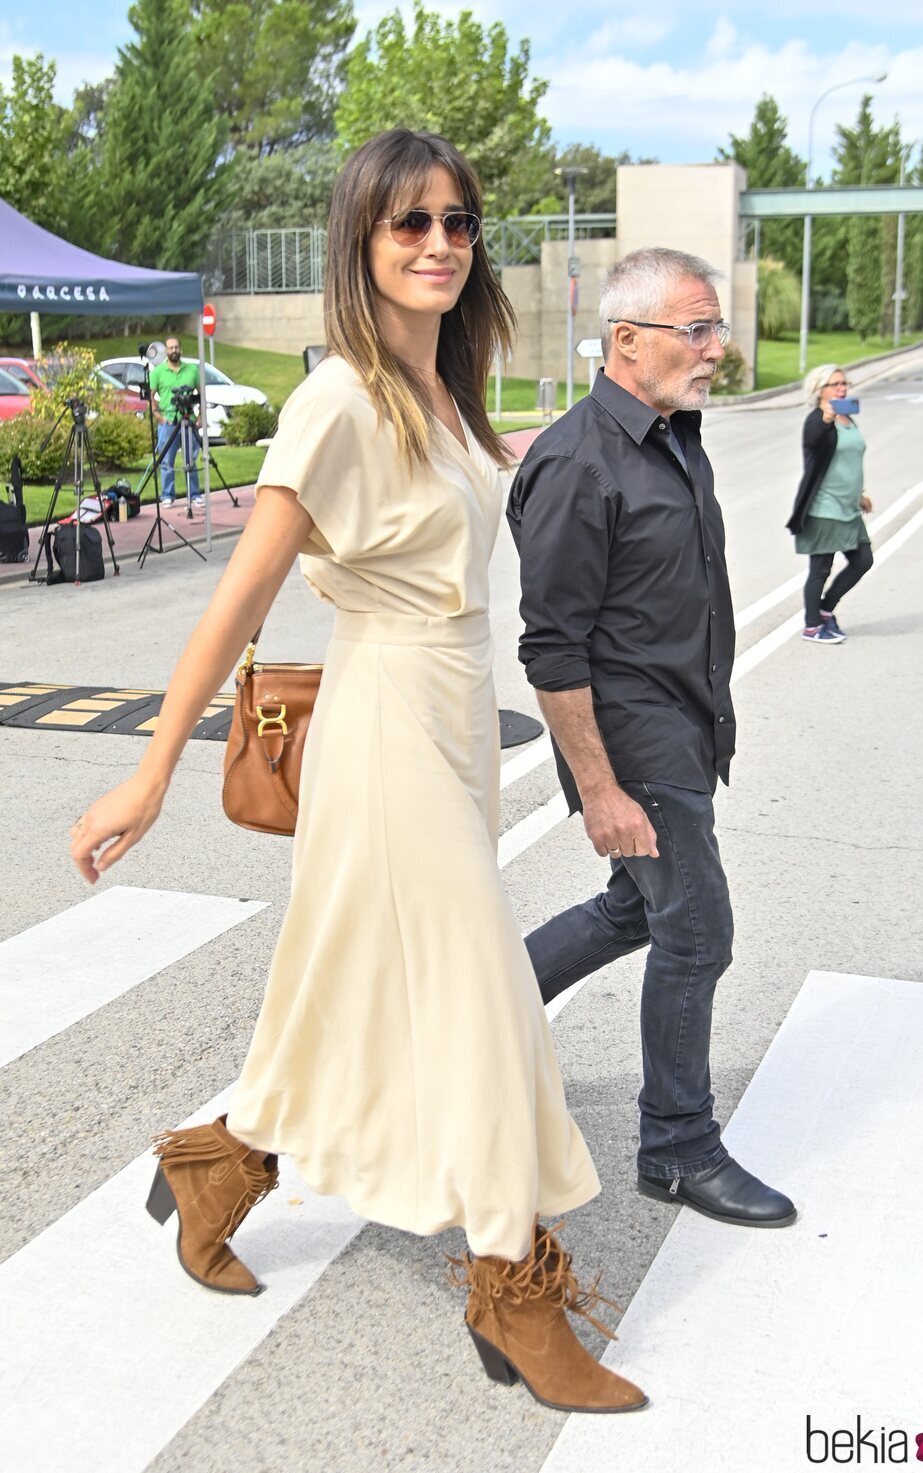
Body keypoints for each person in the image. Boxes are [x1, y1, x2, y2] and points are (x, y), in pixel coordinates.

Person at [68, 129, 646, 1416]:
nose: (439, 243)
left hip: (448, 718)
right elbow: (236, 602)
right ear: (362, 243)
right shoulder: (337, 399)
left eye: (455, 221)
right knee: (485, 1000)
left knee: (349, 981)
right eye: (410, 224)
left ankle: (223, 1163)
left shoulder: (447, 389)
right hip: (383, 723)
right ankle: (512, 1290)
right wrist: (152, 773)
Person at [506, 247, 796, 1230]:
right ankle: (675, 1145)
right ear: (625, 342)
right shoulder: (573, 463)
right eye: (696, 331)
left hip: (677, 723)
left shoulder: (671, 435)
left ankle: (478, 1015)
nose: (716, 349)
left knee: (637, 911)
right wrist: (598, 787)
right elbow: (550, 651)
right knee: (697, 929)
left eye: (713, 329)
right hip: (629, 739)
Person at [786, 364, 874, 643]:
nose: (842, 388)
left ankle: (825, 610)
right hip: (824, 507)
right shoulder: (817, 420)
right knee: (820, 569)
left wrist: (859, 494)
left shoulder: (847, 416)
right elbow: (812, 440)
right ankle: (812, 626)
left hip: (848, 507)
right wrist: (826, 418)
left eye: (844, 383)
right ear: (819, 390)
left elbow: (847, 461)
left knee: (863, 560)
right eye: (834, 384)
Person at [149, 336, 204, 509]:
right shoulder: (157, 372)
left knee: (191, 460)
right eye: (170, 348)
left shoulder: (192, 370)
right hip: (168, 421)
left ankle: (194, 494)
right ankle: (167, 495)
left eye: (176, 347)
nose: (174, 350)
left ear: (180, 349)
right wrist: (158, 416)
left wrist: (201, 416)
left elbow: (201, 393)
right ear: (166, 350)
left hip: (189, 420)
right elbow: (150, 397)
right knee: (166, 461)